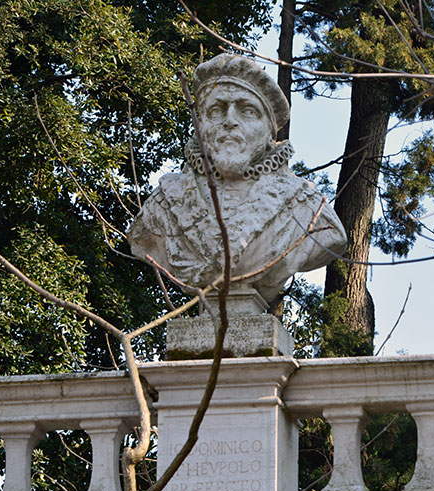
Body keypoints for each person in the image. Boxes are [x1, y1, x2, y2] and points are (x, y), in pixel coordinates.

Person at [127, 54, 347, 306]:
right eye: (216, 110)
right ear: (202, 126)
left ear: (268, 133)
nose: (230, 120)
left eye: (248, 111)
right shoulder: (163, 203)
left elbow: (333, 239)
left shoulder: (307, 209)